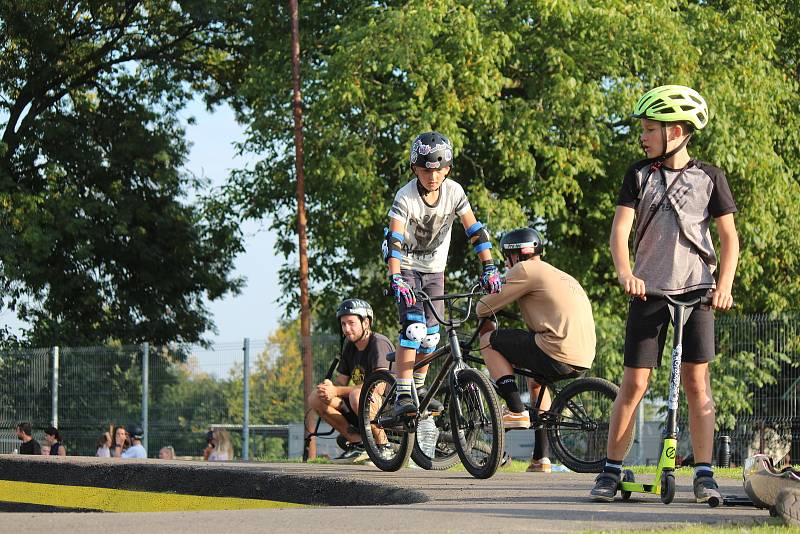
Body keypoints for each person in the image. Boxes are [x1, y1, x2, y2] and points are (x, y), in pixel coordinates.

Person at [589, 85, 739, 504]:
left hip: (697, 294)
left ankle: (705, 473)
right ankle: (611, 470)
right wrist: (625, 273)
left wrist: (723, 286)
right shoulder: (638, 175)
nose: (643, 136)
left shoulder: (710, 177)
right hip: (648, 291)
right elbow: (620, 230)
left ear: (676, 132)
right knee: (634, 383)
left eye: (650, 129)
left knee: (696, 383)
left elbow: (730, 238)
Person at [385, 131, 502, 419]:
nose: (432, 176)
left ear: (448, 169)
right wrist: (395, 276)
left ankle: (419, 387)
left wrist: (489, 266)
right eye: (426, 170)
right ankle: (402, 392)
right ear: (415, 169)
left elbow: (475, 230)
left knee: (431, 337)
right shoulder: (406, 195)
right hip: (407, 265)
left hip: (435, 268)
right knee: (414, 329)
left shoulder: (455, 192)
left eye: (439, 170)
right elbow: (394, 239)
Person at [475, 227, 596, 473]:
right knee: (536, 383)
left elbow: (482, 308)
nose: (507, 264)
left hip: (555, 349)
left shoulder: (524, 269)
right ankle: (542, 459)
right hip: (582, 355)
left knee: (488, 339)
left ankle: (516, 409)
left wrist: (485, 297)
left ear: (514, 255)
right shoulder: (559, 274)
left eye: (506, 258)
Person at [306, 298, 394, 463]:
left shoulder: (378, 343)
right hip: (360, 405)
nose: (346, 328)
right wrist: (329, 387)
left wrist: (337, 391)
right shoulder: (350, 347)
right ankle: (358, 443)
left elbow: (378, 387)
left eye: (351, 323)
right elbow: (341, 382)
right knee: (315, 398)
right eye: (343, 324)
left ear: (366, 322)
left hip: (387, 407)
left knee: (357, 395)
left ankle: (385, 446)